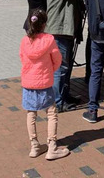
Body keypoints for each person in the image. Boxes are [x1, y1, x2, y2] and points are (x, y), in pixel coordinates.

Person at [46, 0, 98, 112]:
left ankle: (65, 95)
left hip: (66, 30)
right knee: (60, 69)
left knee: (66, 68)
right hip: (59, 31)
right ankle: (58, 102)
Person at [20, 9, 71, 161]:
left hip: (28, 82)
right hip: (44, 82)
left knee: (31, 112)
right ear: (44, 24)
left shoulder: (24, 41)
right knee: (51, 112)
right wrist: (49, 70)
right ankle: (52, 146)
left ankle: (34, 145)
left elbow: (22, 59)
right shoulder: (49, 39)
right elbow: (57, 59)